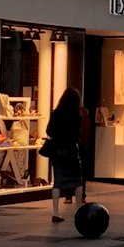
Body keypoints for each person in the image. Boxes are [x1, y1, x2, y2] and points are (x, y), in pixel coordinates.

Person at [45, 87, 85, 222]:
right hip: (72, 150)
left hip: (57, 151)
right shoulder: (76, 115)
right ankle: (79, 211)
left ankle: (56, 212)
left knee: (57, 182)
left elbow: (49, 130)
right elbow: (78, 133)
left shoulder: (55, 113)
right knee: (77, 181)